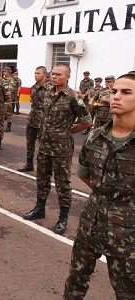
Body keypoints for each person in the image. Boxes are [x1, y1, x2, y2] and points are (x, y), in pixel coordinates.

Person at [64, 73, 135, 299]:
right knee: (74, 285)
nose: (116, 96)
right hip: (90, 223)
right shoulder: (95, 136)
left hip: (127, 235)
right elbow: (86, 174)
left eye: (126, 92)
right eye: (114, 91)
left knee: (126, 292)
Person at [22, 64, 92, 235]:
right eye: (52, 74)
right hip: (45, 145)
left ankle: (63, 217)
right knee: (42, 178)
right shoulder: (47, 94)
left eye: (58, 74)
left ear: (67, 77)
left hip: (62, 148)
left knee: (62, 183)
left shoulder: (73, 97)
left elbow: (87, 120)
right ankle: (40, 208)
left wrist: (69, 131)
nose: (54, 77)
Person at [18, 66, 50, 172]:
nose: (36, 75)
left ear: (45, 75)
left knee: (43, 144)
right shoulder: (33, 87)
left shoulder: (50, 89)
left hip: (43, 121)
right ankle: (29, 164)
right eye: (35, 73)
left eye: (38, 73)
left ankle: (44, 166)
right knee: (30, 143)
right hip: (32, 119)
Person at [3, 67, 16, 132]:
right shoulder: (4, 79)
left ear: (8, 72)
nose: (3, 72)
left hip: (8, 98)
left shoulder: (11, 79)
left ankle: (9, 126)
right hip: (4, 98)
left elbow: (10, 89)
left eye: (5, 71)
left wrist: (6, 94)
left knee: (9, 112)